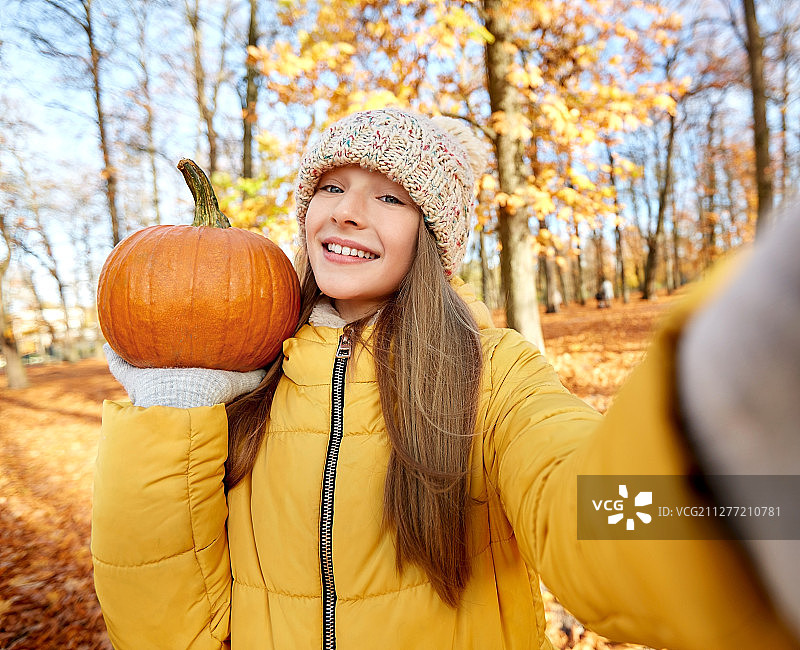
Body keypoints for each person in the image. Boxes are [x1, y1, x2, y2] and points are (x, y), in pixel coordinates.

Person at [92, 108, 800, 649]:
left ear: (431, 237)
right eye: (332, 186)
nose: (346, 210)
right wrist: (171, 408)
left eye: (390, 198)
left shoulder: (495, 376)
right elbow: (161, 628)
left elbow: (586, 513)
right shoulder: (246, 384)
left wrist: (746, 501)